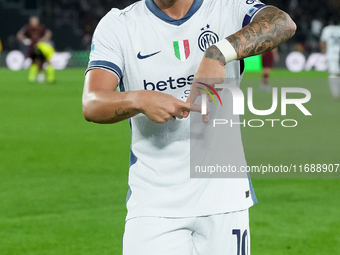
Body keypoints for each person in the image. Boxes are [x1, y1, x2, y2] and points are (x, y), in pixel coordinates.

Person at [82, 0, 296, 254]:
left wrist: (218, 54)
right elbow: (92, 102)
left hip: (224, 198)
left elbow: (283, 23)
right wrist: (138, 99)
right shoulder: (119, 24)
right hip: (153, 204)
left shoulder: (227, 8)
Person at [17, 16, 55, 83]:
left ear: (38, 21)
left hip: (41, 48)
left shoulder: (41, 28)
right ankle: (32, 78)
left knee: (46, 61)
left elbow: (49, 33)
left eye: (35, 21)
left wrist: (43, 40)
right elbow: (19, 35)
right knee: (34, 62)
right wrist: (25, 40)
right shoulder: (27, 28)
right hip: (32, 48)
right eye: (32, 21)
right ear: (30, 21)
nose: (34, 22)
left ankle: (50, 78)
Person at [320, 19, 340, 100]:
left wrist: (324, 52)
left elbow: (323, 42)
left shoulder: (327, 29)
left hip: (331, 53)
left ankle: (335, 93)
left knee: (332, 73)